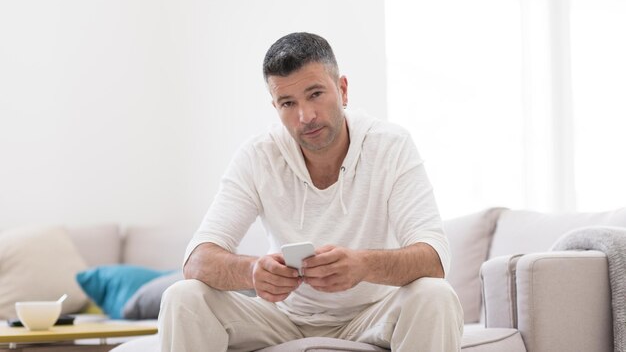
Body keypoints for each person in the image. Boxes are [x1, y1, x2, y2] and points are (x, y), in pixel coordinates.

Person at [159, 32, 464, 352]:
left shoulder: (390, 145)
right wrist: (252, 272)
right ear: (275, 106)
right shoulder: (258, 156)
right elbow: (197, 260)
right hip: (283, 321)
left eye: (315, 94)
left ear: (342, 90)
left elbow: (434, 258)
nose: (305, 116)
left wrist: (363, 266)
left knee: (435, 294)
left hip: (372, 316)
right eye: (288, 103)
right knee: (183, 296)